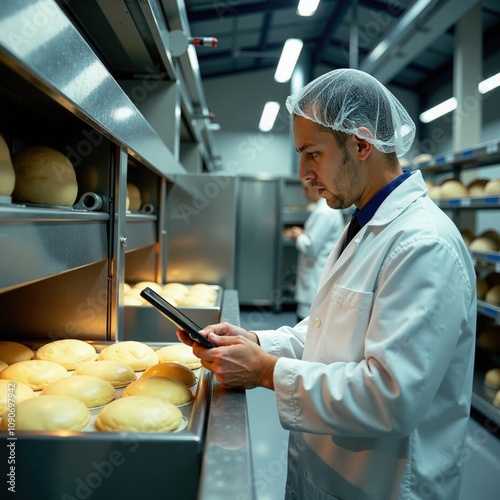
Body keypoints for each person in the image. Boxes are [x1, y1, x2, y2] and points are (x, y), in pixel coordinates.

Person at [177, 68, 476, 500]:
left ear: (360, 143)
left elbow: (390, 397)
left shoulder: (423, 244)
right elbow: (327, 330)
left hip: (382, 485)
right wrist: (257, 340)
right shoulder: (363, 223)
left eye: (312, 153)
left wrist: (264, 371)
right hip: (327, 474)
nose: (303, 172)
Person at [289, 180, 344, 322]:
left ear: (316, 188)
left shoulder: (324, 212)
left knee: (307, 325)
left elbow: (311, 248)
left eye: (306, 189)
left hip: (315, 280)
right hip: (313, 278)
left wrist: (299, 236)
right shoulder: (322, 209)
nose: (304, 193)